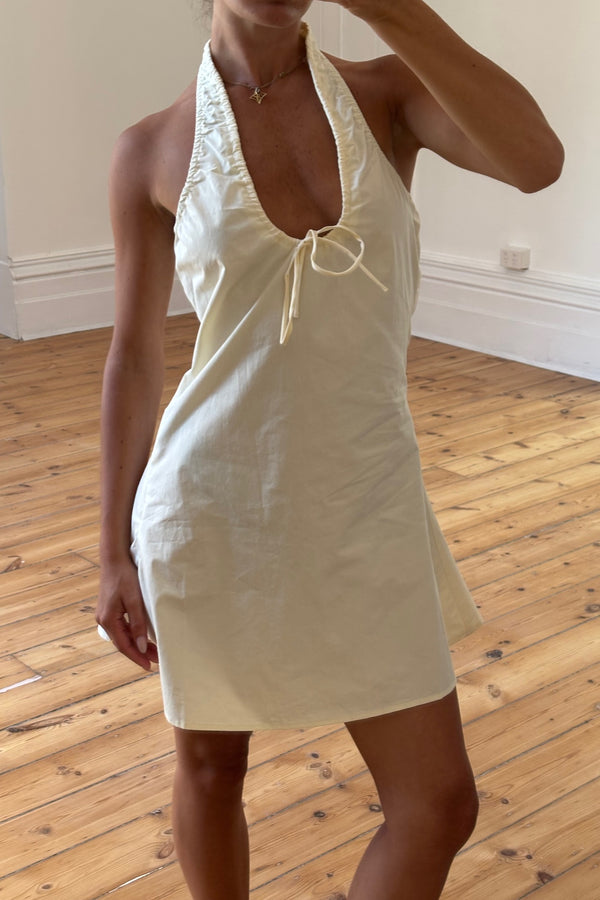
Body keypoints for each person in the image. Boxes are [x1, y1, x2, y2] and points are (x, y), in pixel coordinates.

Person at [95, 0, 564, 897]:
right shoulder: (149, 149)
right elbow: (135, 355)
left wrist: (392, 9)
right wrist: (110, 550)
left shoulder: (388, 97)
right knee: (212, 769)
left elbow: (536, 163)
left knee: (437, 803)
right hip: (208, 506)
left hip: (366, 495)